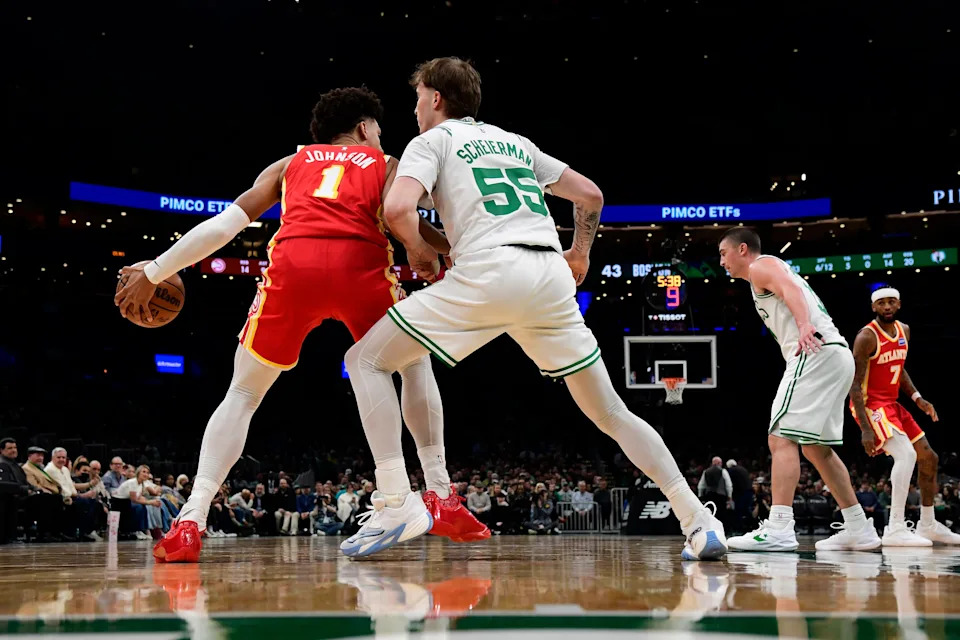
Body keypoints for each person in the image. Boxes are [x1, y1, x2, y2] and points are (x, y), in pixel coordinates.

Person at [341, 56, 725, 560]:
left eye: (417, 99)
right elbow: (590, 194)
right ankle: (696, 519)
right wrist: (580, 253)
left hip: (488, 271)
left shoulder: (431, 141)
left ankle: (396, 500)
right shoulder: (516, 143)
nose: (414, 110)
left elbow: (397, 209)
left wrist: (418, 250)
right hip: (548, 277)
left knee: (365, 361)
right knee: (612, 412)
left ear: (435, 98)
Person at [123, 87, 482, 563]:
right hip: (361, 268)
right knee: (414, 364)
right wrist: (456, 253)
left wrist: (155, 271)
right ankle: (438, 494)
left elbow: (225, 225)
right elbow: (406, 220)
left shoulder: (288, 164)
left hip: (294, 269)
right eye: (377, 129)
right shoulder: (387, 163)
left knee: (243, 395)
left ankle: (190, 519)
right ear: (363, 128)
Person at [719, 228, 880, 552]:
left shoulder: (760, 266)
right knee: (815, 448)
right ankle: (859, 528)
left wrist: (804, 324)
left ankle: (779, 527)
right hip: (834, 354)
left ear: (742, 249)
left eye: (723, 252)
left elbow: (790, 287)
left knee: (780, 438)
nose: (720, 260)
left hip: (814, 352)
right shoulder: (761, 273)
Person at [849, 287, 960, 545]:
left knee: (928, 457)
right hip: (869, 405)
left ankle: (928, 524)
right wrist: (865, 428)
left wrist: (917, 398)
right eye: (881, 303)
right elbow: (854, 384)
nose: (887, 307)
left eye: (891, 302)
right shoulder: (866, 336)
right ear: (874, 307)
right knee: (906, 454)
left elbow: (899, 368)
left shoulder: (904, 331)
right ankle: (895, 528)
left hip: (892, 403)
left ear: (898, 304)